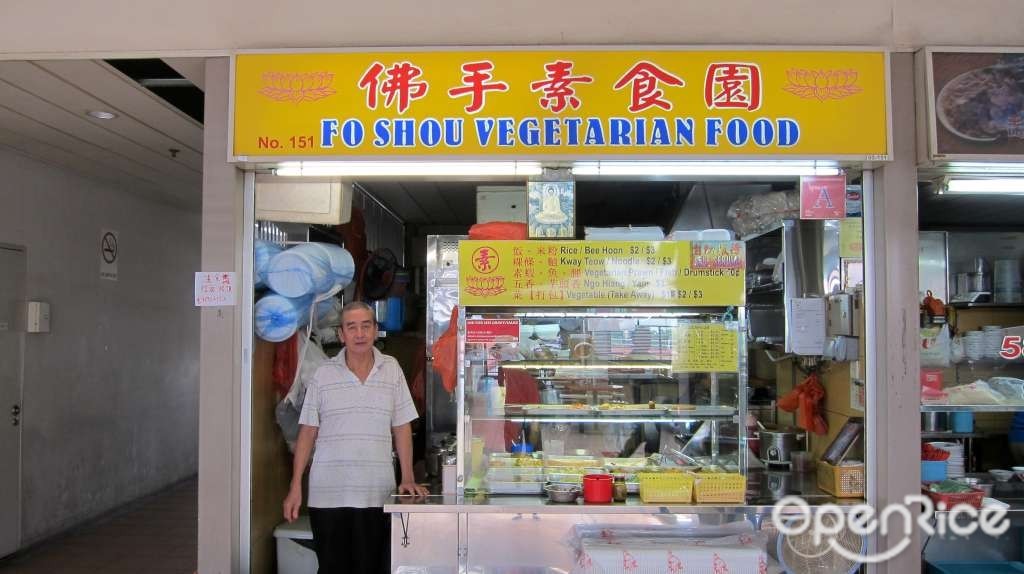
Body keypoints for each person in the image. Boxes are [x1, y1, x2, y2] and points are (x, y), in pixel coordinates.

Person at [283, 301, 429, 574]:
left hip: (376, 494)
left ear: (375, 331)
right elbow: (307, 432)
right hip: (327, 495)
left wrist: (407, 477)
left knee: (372, 567)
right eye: (352, 327)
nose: (359, 334)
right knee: (332, 568)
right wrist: (295, 487)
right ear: (341, 335)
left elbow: (401, 426)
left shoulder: (392, 368)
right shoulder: (322, 375)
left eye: (366, 326)